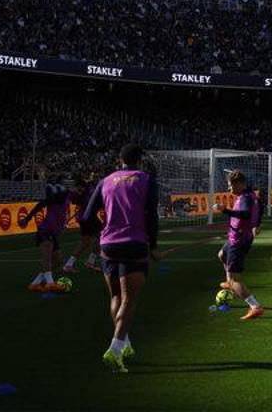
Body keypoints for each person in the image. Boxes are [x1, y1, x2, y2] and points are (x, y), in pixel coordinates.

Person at [81, 144, 160, 374]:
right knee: (129, 299)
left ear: (120, 160)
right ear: (140, 161)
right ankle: (114, 350)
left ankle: (124, 343)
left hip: (108, 245)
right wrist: (153, 246)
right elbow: (151, 216)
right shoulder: (146, 179)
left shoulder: (105, 181)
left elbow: (86, 217)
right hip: (134, 243)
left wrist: (105, 228)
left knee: (115, 295)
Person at [213, 170, 263, 320]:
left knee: (236, 279)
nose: (229, 189)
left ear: (240, 184)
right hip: (236, 236)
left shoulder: (246, 198)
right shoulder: (249, 195)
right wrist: (258, 224)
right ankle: (230, 282)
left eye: (231, 186)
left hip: (239, 239)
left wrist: (225, 210)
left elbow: (246, 214)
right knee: (222, 254)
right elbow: (259, 207)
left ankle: (255, 306)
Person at [20, 174, 71, 292]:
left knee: (58, 260)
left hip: (53, 231)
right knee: (47, 257)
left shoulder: (64, 197)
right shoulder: (56, 198)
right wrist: (27, 219)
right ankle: (50, 283)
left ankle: (35, 283)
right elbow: (40, 205)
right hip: (45, 230)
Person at [63, 175, 102, 274]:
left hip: (85, 218)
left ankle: (69, 264)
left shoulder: (84, 191)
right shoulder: (86, 191)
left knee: (85, 242)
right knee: (101, 237)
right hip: (89, 218)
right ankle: (90, 261)